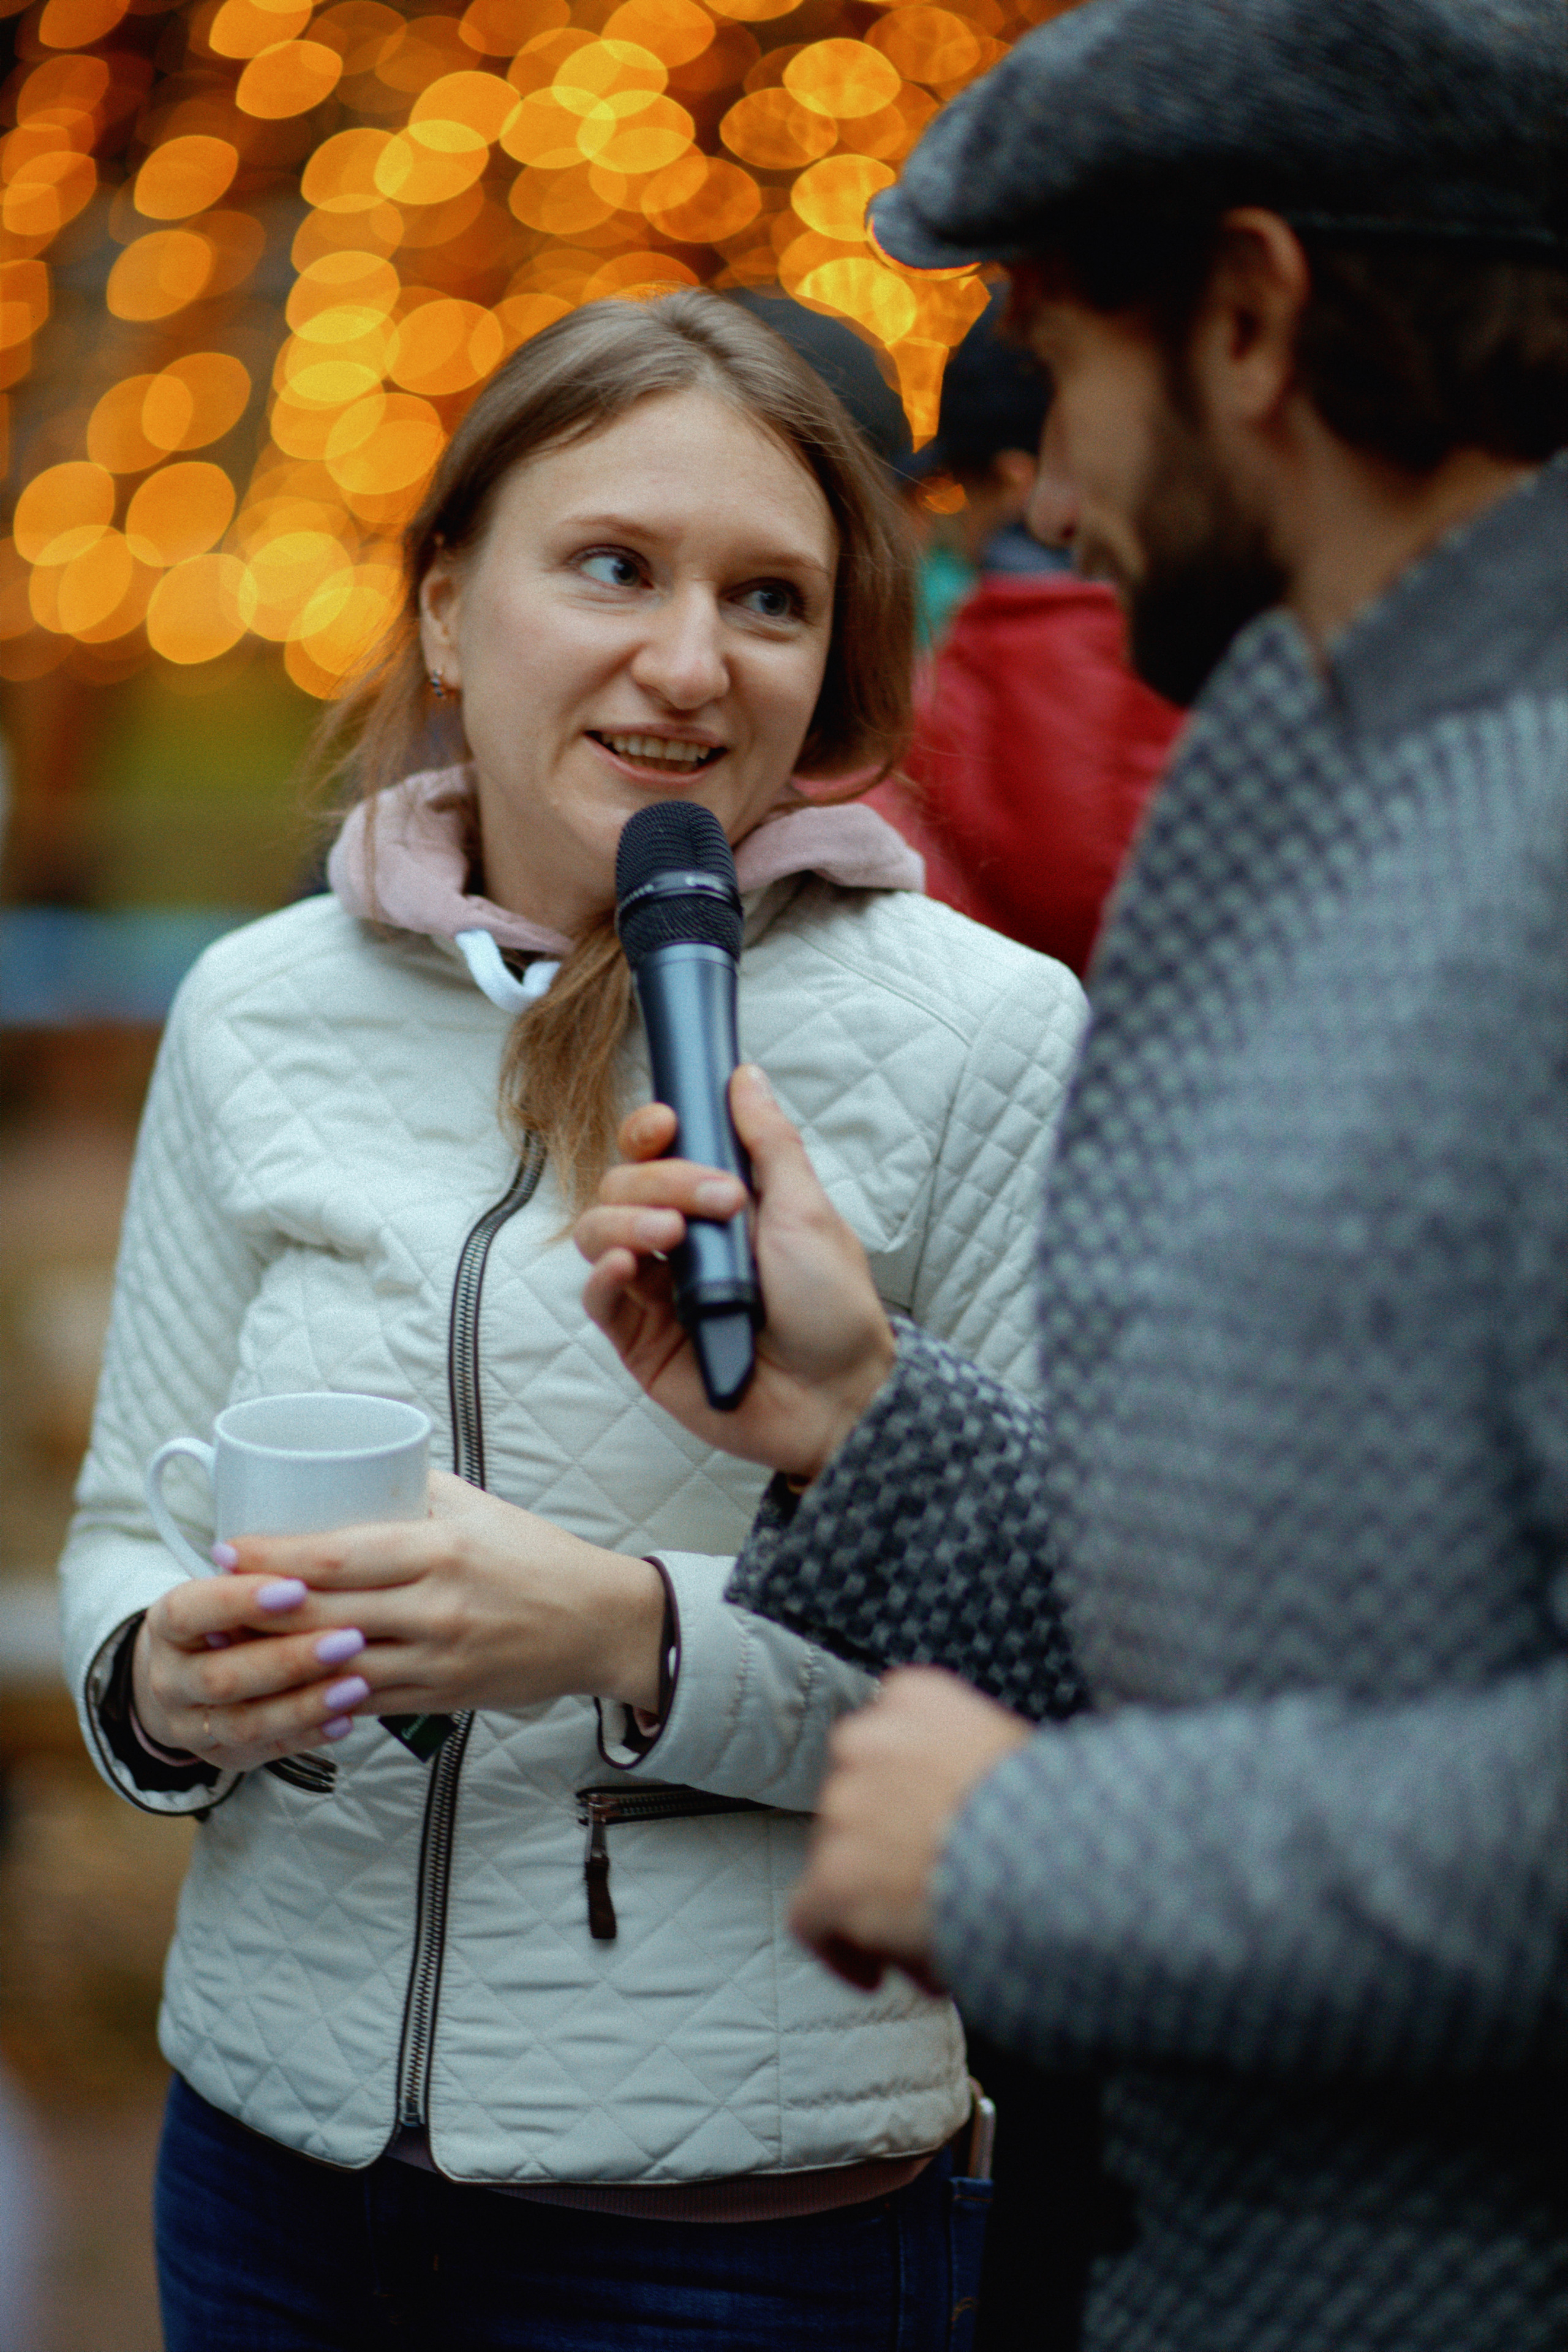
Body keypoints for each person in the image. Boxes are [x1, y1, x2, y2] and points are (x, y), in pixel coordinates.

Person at [575, 5, 1568, 2348]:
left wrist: (1034, 1854)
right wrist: (866, 1424)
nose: (1022, 468)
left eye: (1049, 333)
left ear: (1251, 316)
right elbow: (1288, 1612)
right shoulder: (1293, 750)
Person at [57, 292, 1087, 2348]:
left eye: (770, 598)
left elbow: (1073, 1673)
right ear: (450, 607)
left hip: (741, 2225)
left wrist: (627, 1636)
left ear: (836, 659)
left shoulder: (989, 1038)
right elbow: (121, 1527)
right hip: (265, 2163)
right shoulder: (257, 1007)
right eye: (614, 565)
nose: (691, 661)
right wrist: (160, 1684)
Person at [873, 290, 1183, 976]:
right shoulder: (1277, 681)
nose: (956, 525)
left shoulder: (912, 723)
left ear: (1016, 482)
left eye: (962, 491)